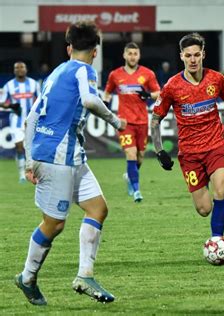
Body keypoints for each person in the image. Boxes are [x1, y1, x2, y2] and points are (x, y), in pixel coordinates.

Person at [15, 21, 126, 306]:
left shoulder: (56, 72)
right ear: (95, 51)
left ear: (68, 48)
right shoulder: (83, 69)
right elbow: (89, 100)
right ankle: (27, 277)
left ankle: (84, 275)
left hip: (67, 155)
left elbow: (31, 118)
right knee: (54, 223)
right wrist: (115, 120)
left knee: (98, 208)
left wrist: (28, 159)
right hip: (56, 158)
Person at [150, 32, 224, 240]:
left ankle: (217, 240)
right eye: (188, 55)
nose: (193, 59)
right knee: (204, 209)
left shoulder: (216, 79)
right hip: (190, 154)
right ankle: (215, 230)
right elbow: (155, 120)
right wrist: (159, 151)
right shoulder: (172, 86)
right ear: (182, 56)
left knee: (220, 190)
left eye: (196, 55)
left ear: (203, 54)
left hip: (216, 146)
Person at [103, 42, 160, 202]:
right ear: (124, 55)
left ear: (139, 55)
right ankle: (136, 190)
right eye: (130, 53)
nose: (132, 56)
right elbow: (107, 93)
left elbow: (159, 93)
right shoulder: (115, 75)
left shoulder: (147, 74)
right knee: (131, 153)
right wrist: (106, 109)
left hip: (142, 121)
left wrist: (147, 95)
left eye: (135, 54)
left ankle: (129, 176)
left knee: (140, 157)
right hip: (124, 122)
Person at [0, 61, 40, 183]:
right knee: (19, 147)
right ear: (14, 71)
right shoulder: (9, 86)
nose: (19, 69)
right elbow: (2, 102)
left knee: (33, 148)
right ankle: (22, 174)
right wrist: (11, 105)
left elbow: (40, 100)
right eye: (16, 68)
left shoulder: (34, 84)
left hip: (31, 120)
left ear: (26, 69)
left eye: (21, 67)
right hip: (16, 120)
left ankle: (35, 172)